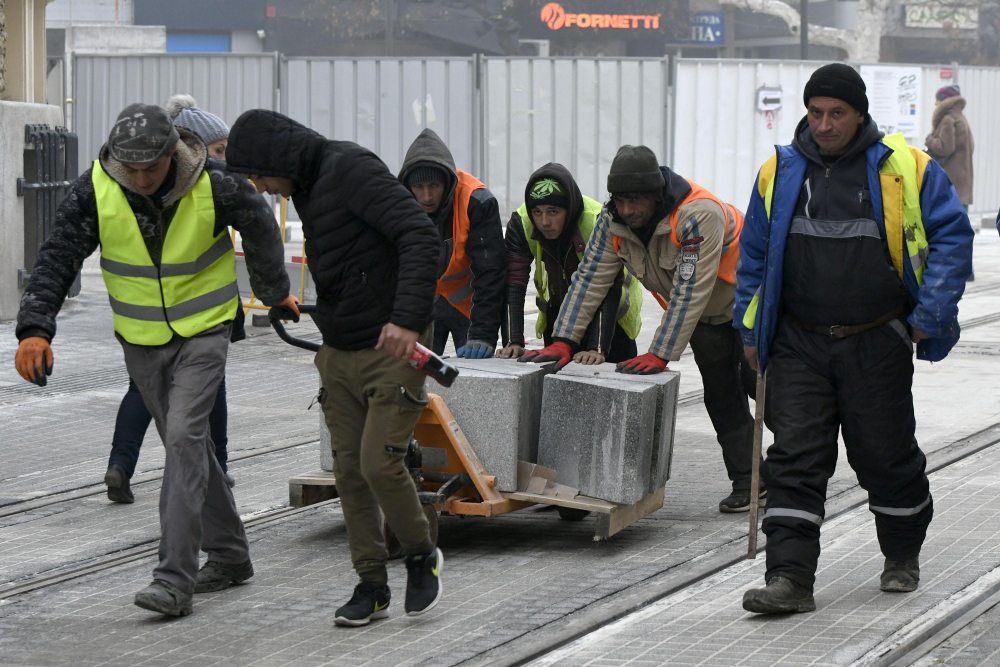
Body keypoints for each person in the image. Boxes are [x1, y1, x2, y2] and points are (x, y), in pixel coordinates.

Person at [14, 103, 296, 617]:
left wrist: (275, 292)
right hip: (140, 339)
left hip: (205, 330)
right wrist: (35, 328)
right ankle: (231, 556)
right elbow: (58, 254)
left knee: (186, 438)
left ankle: (173, 580)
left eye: (151, 168)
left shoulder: (215, 181)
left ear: (173, 153)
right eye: (132, 169)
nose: (141, 179)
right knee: (189, 448)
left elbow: (259, 225)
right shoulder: (98, 186)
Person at [735, 64, 973, 614]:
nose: (823, 124)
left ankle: (901, 554)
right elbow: (754, 259)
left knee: (884, 455)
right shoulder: (779, 171)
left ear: (860, 113)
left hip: (875, 340)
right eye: (815, 112)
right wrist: (752, 331)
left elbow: (951, 239)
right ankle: (789, 579)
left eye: (836, 113)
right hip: (799, 342)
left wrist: (927, 315)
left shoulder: (907, 168)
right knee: (795, 456)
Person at [225, 109, 445, 627]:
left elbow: (420, 235)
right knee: (348, 472)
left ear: (276, 159)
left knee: (379, 463)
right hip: (339, 349)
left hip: (393, 346)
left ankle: (420, 553)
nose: (261, 188)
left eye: (258, 175)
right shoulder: (307, 185)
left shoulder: (350, 167)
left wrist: (408, 320)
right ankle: (371, 585)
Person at [521, 146, 758, 513]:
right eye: (620, 200)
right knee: (722, 395)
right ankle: (753, 481)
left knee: (768, 392)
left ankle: (799, 474)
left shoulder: (697, 215)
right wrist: (563, 340)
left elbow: (690, 289)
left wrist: (660, 351)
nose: (627, 210)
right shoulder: (612, 220)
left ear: (656, 196)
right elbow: (590, 279)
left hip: (751, 309)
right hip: (708, 318)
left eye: (635, 202)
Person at [104, 95, 242, 504]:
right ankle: (218, 466)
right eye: (218, 151)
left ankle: (120, 464)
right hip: (199, 318)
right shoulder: (199, 184)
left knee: (141, 394)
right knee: (208, 392)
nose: (222, 159)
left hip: (143, 323)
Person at [498, 163, 643, 364]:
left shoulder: (597, 221)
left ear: (569, 209)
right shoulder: (522, 222)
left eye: (553, 211)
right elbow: (513, 281)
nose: (544, 222)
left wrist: (597, 347)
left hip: (610, 318)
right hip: (559, 313)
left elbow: (606, 285)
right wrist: (513, 341)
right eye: (537, 212)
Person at [398, 129, 505, 359]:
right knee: (413, 379)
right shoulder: (399, 205)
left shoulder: (477, 201)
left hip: (469, 309)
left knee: (475, 379)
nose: (426, 196)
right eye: (419, 187)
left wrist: (483, 334)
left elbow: (490, 272)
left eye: (434, 186)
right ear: (408, 187)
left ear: (447, 181)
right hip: (425, 306)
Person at [925, 84, 976, 280]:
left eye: (937, 100)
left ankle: (960, 270)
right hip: (963, 182)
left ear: (944, 102)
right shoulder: (961, 119)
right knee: (962, 230)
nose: (935, 103)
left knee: (950, 231)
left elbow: (944, 148)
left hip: (950, 183)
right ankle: (967, 269)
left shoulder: (948, 119)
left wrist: (930, 139)